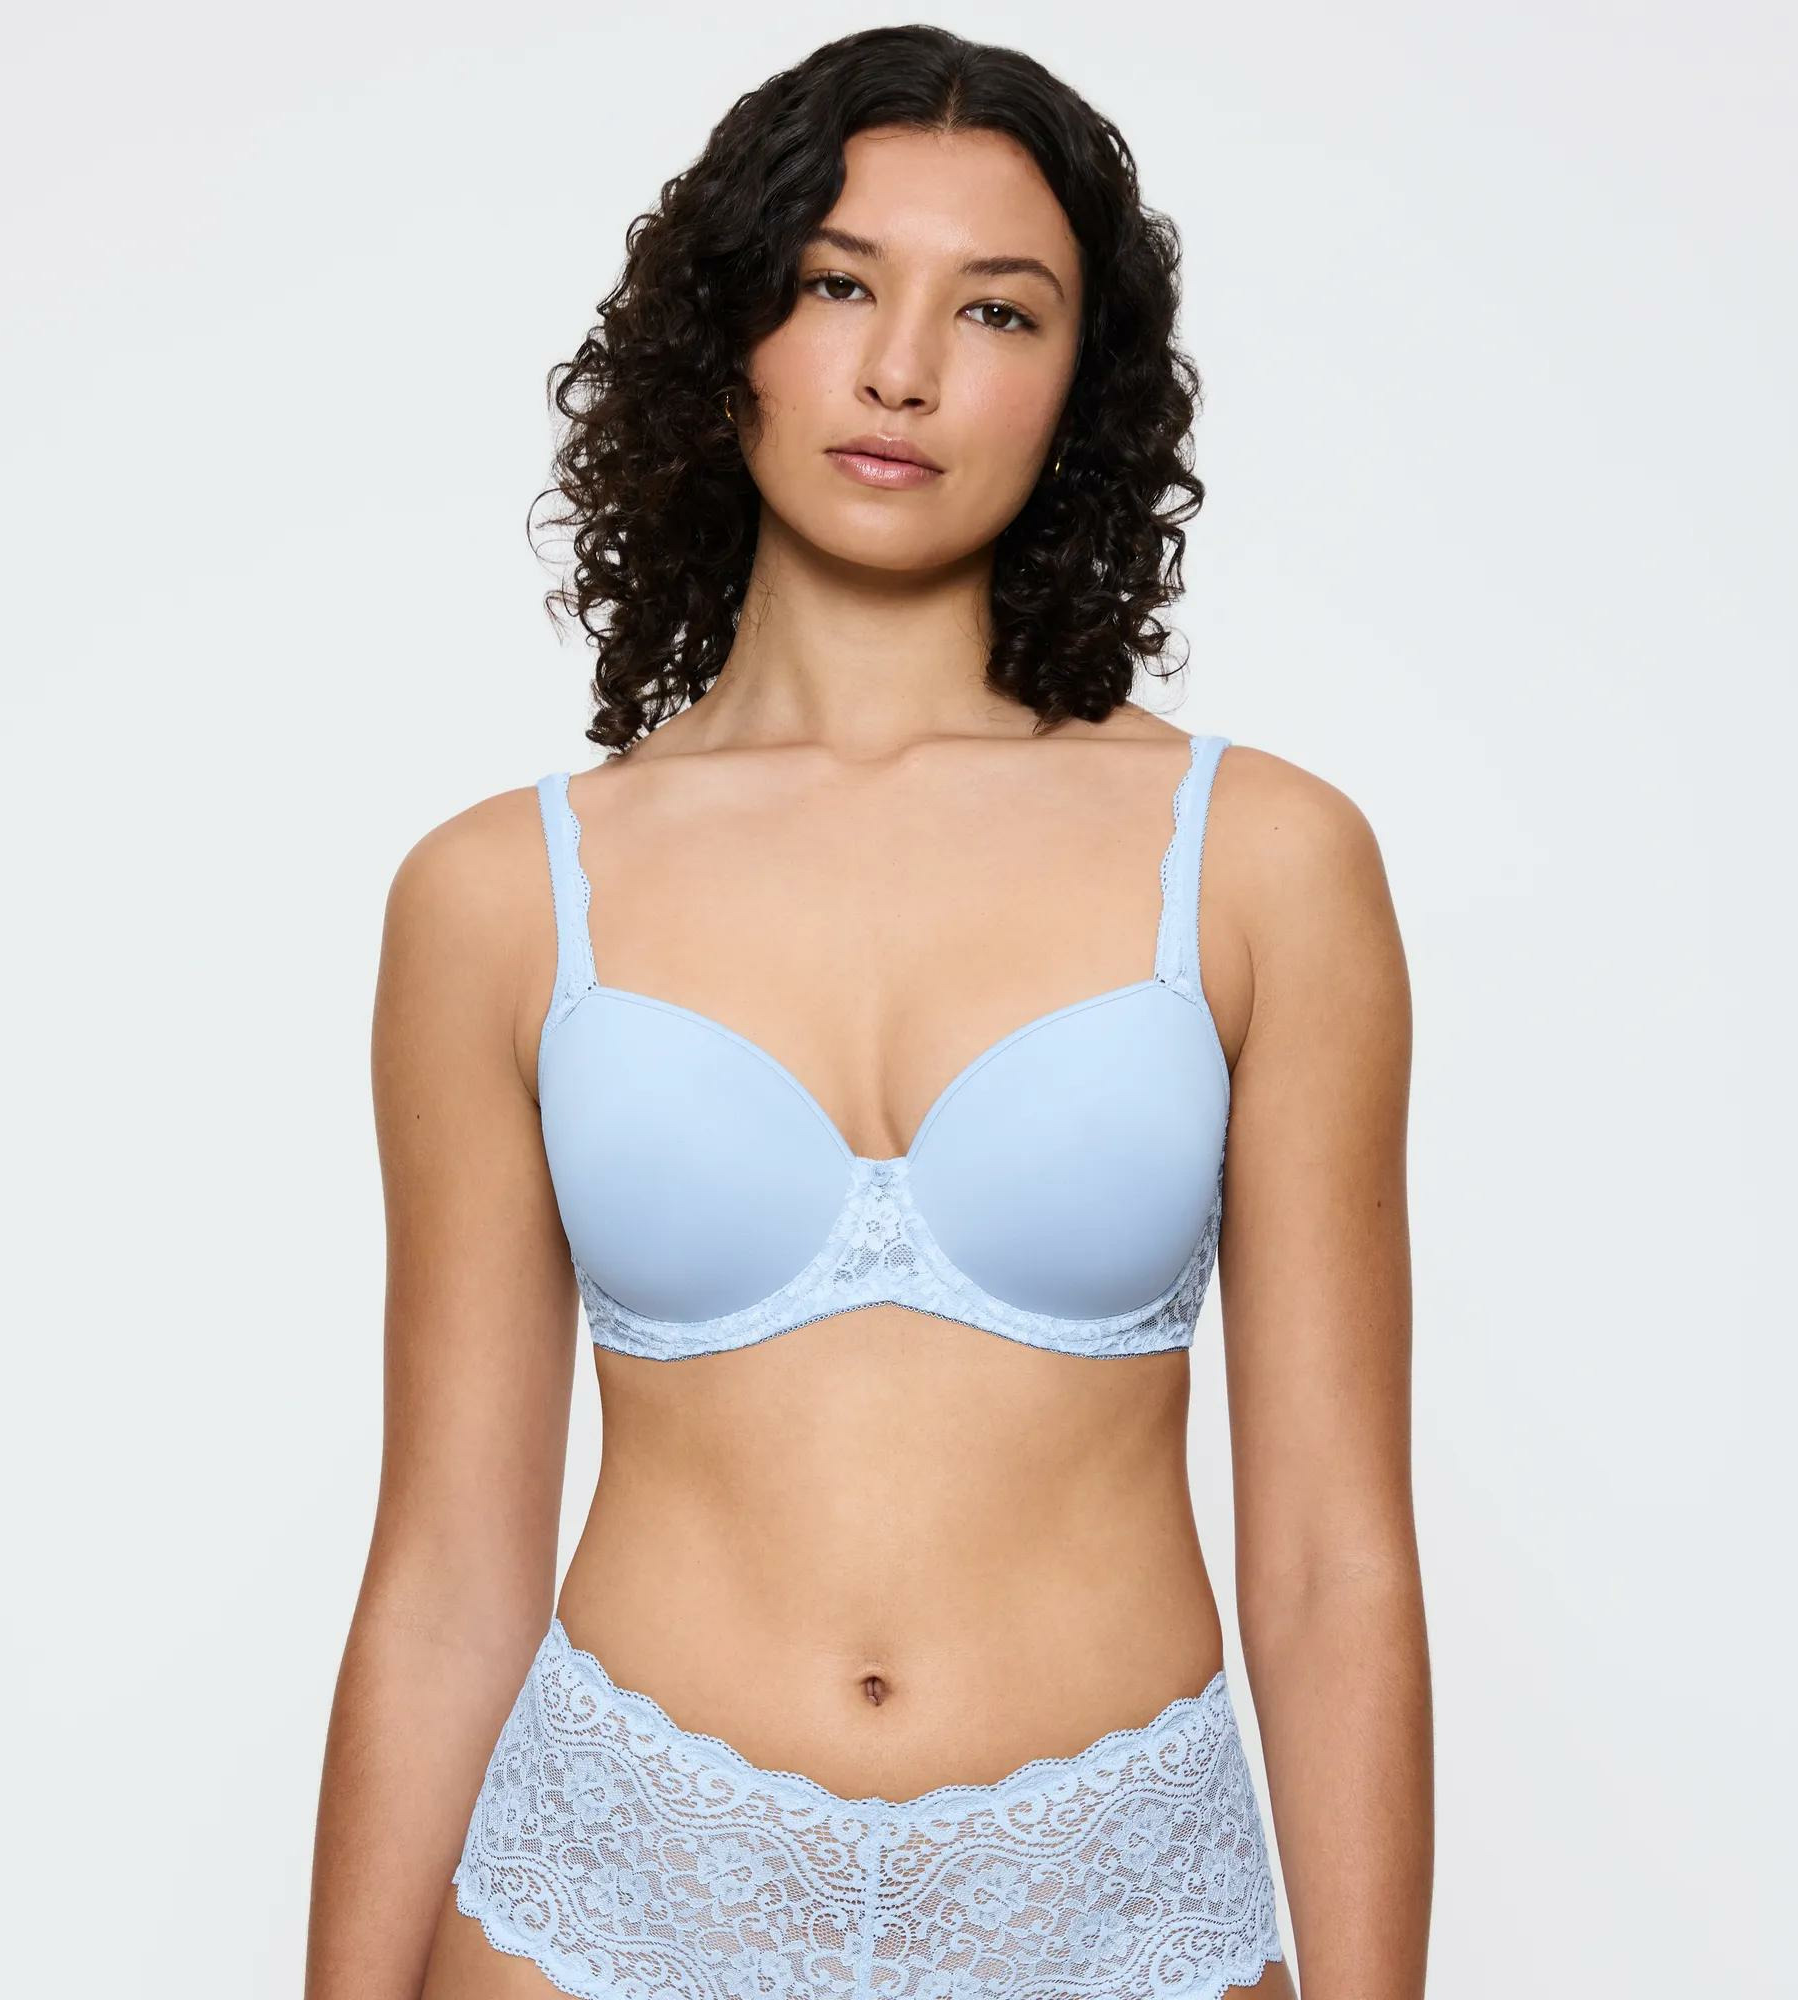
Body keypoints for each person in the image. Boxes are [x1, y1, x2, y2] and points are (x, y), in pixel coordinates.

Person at [306, 26, 1430, 2000]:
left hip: (1116, 1916)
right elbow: (447, 1573)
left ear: (1079, 387)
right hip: (606, 1902)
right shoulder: (498, 895)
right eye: (838, 284)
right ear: (725, 327)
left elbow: (1334, 1560)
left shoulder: (1261, 862)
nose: (901, 368)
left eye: (995, 310)